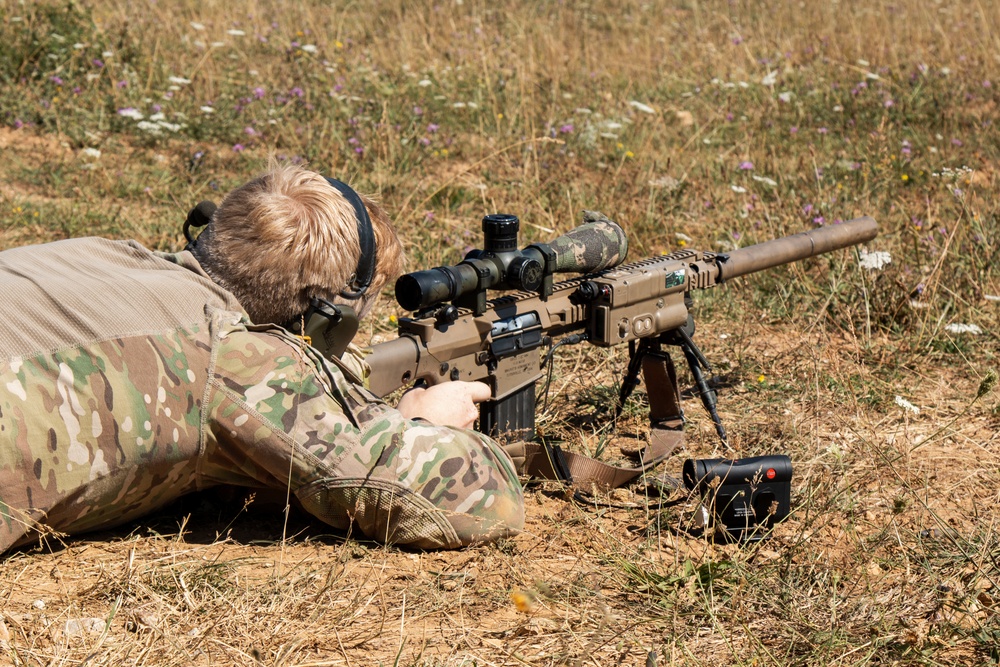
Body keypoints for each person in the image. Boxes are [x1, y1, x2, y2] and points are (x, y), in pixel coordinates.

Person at [0, 162, 524, 552]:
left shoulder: (104, 252)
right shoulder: (237, 357)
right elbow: (479, 502)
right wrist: (425, 423)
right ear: (328, 318)